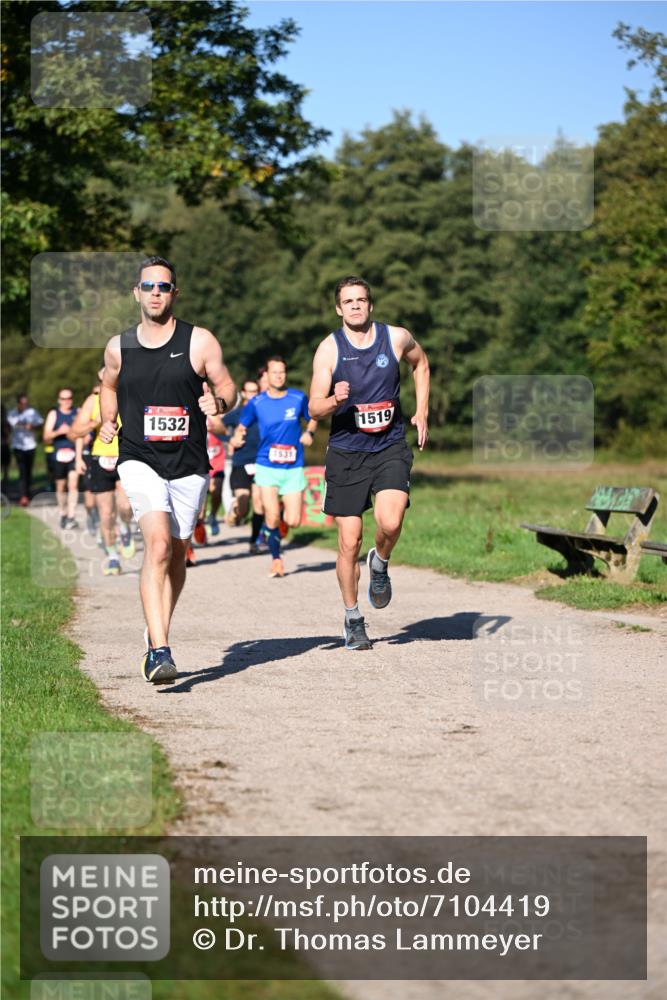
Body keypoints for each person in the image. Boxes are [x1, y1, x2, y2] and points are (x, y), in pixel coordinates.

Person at [98, 255, 237, 683]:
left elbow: (228, 386)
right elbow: (107, 382)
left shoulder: (200, 342)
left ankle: (156, 627)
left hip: (190, 461)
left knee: (177, 552)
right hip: (140, 457)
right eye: (149, 286)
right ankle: (159, 651)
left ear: (175, 294)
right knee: (157, 546)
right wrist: (108, 419)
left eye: (164, 287)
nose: (155, 293)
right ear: (136, 293)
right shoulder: (119, 346)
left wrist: (220, 402)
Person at [309, 276, 430, 650]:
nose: (356, 306)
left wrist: (421, 410)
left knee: (390, 522)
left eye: (362, 300)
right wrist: (334, 401)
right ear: (338, 309)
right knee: (349, 541)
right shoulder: (329, 349)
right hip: (346, 452)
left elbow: (421, 364)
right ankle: (353, 618)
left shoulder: (395, 338)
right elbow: (314, 406)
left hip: (389, 445)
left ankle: (380, 561)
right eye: (349, 301)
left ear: (371, 305)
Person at [230, 357, 317, 576]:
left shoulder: (298, 398)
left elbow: (313, 418)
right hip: (266, 466)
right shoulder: (257, 403)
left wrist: (310, 432)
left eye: (282, 372)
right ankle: (276, 560)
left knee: (293, 521)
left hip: (292, 467)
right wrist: (236, 438)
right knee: (271, 518)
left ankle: (279, 516)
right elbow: (241, 426)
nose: (278, 376)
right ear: (266, 376)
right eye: (274, 372)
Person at [69, 369, 135, 575]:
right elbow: (74, 432)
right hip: (100, 459)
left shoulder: (131, 393)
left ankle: (125, 529)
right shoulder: (93, 400)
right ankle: (113, 557)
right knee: (106, 514)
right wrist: (95, 423)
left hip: (127, 457)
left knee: (125, 507)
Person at [219, 378, 265, 550]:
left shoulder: (264, 411)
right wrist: (230, 439)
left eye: (256, 391)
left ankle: (254, 541)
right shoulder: (237, 414)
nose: (253, 395)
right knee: (244, 506)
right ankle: (235, 509)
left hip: (261, 461)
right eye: (250, 391)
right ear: (244, 393)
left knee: (259, 503)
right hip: (241, 462)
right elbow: (217, 427)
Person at [42, 388, 80, 529]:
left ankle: (71, 516)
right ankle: (63, 513)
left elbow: (85, 433)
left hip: (74, 454)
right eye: (63, 399)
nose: (67, 401)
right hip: (58, 455)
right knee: (61, 486)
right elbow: (45, 437)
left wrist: (72, 432)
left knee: (73, 485)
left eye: (69, 398)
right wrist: (59, 432)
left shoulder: (77, 413)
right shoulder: (54, 414)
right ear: (59, 400)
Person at [7, 393, 43, 506]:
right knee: (22, 470)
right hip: (18, 446)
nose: (24, 405)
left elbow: (40, 425)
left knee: (28, 470)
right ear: (18, 403)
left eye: (26, 403)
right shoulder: (12, 414)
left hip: (30, 445)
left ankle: (28, 493)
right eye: (22, 403)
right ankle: (23, 496)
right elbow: (9, 426)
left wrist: (32, 427)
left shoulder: (32, 412)